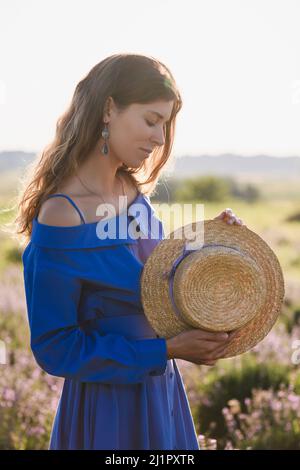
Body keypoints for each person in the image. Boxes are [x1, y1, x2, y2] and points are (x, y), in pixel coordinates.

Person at [15, 53, 242, 450]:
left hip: (162, 395)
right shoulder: (60, 215)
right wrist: (165, 349)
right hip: (108, 409)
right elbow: (55, 348)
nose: (159, 138)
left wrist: (211, 244)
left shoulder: (132, 193)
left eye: (166, 124)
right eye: (151, 120)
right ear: (108, 109)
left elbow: (155, 277)